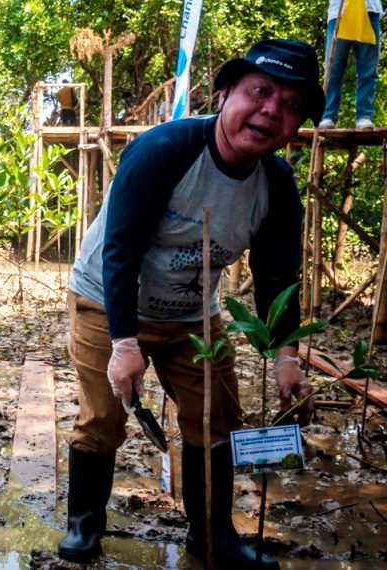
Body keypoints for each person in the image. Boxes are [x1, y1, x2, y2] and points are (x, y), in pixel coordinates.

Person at [61, 39, 323, 569]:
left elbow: (278, 277)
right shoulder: (165, 151)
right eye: (260, 91)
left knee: (215, 416)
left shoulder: (276, 184)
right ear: (224, 94)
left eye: (292, 105)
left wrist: (286, 357)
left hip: (191, 314)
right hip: (107, 299)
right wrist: (125, 342)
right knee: (104, 416)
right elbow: (121, 249)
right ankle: (85, 523)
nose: (272, 110)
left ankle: (213, 535)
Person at [319, 0, 382, 130]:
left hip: (370, 10)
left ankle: (364, 116)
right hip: (339, 13)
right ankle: (328, 116)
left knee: (368, 70)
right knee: (332, 69)